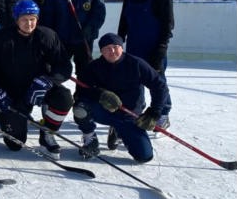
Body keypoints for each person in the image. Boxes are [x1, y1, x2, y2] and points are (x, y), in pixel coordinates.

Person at [0, 0, 73, 158]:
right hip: (11, 94)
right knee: (15, 144)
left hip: (37, 89)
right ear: (16, 19)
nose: (29, 23)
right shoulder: (0, 38)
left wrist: (49, 80)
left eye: (32, 19)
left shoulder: (48, 36)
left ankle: (47, 133)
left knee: (64, 98)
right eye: (24, 19)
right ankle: (15, 117)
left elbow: (64, 66)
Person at [73, 33, 170, 164]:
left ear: (122, 47)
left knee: (144, 156)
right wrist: (100, 94)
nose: (111, 51)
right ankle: (90, 138)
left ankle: (118, 130)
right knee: (81, 108)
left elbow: (159, 86)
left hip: (128, 114)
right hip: (104, 111)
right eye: (106, 48)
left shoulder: (136, 64)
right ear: (101, 51)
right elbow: (81, 91)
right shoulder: (94, 67)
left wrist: (154, 112)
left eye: (115, 46)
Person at [117, 0, 174, 132]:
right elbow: (124, 19)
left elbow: (168, 24)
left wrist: (162, 47)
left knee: (157, 81)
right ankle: (137, 111)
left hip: (154, 47)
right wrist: (120, 38)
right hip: (134, 45)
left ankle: (163, 113)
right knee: (134, 80)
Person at [40, 0, 106, 76]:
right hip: (61, 39)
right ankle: (58, 95)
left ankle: (82, 95)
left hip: (84, 39)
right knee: (58, 71)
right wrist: (50, 35)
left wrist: (90, 29)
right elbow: (47, 14)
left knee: (85, 72)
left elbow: (99, 13)